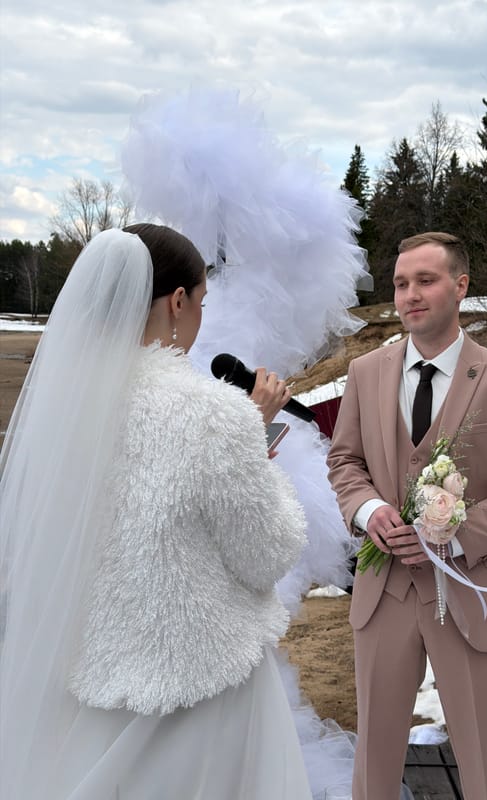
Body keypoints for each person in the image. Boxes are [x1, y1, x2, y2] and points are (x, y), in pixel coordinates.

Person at [0, 224, 312, 800]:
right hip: (205, 688)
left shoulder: (60, 414)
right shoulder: (212, 414)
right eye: (201, 301)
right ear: (176, 302)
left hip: (91, 685)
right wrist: (251, 447)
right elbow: (267, 554)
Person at [326, 231, 487, 800]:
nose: (410, 295)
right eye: (401, 284)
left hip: (472, 592)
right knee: (373, 759)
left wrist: (454, 537)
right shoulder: (365, 373)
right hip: (384, 596)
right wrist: (369, 510)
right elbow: (345, 461)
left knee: (483, 761)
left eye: (425, 280)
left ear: (461, 286)